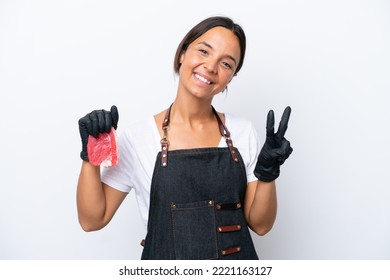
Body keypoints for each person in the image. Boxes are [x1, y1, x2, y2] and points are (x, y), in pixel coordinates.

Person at [76, 16, 293, 260]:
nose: (211, 67)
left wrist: (267, 174)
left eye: (226, 64)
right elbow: (92, 219)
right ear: (182, 53)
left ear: (230, 78)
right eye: (204, 51)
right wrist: (90, 156)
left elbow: (261, 225)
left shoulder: (244, 132)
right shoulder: (138, 137)